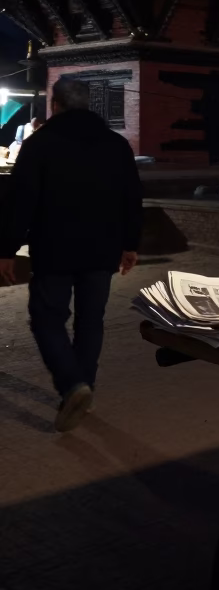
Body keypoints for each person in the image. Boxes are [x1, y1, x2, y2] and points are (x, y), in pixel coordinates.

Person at [0, 79, 143, 433]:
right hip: (103, 248)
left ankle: (73, 385)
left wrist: (6, 249)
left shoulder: (40, 144)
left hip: (55, 247)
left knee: (47, 318)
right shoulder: (116, 144)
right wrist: (130, 244)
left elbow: (21, 203)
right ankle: (84, 389)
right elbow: (132, 197)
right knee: (90, 321)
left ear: (56, 104)